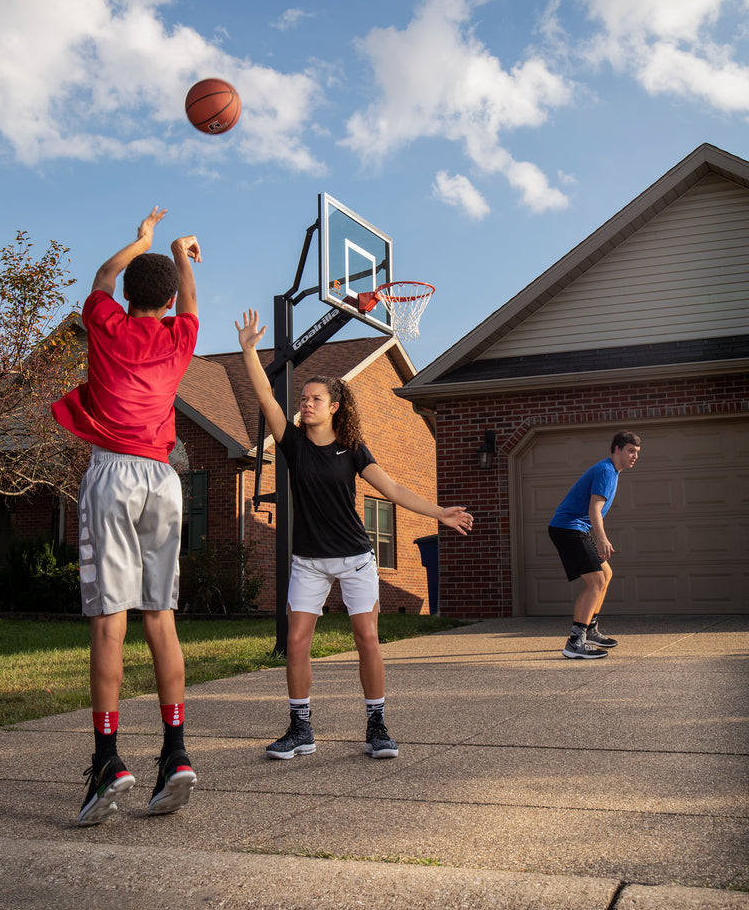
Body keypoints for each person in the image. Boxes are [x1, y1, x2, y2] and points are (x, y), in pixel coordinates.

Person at [235, 308, 474, 760]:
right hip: (308, 560)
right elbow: (265, 394)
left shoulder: (352, 448)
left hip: (355, 558)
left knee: (367, 639)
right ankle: (301, 728)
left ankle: (377, 725)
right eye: (303, 398)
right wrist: (249, 349)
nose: (305, 403)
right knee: (297, 642)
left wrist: (440, 512)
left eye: (315, 399)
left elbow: (394, 489)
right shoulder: (292, 442)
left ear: (335, 406)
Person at [52, 207, 201, 825]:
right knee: (160, 618)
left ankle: (109, 758)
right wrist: (177, 252)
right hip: (164, 481)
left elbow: (99, 279)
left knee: (109, 623)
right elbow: (190, 303)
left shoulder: (106, 324)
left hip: (112, 472)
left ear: (132, 298)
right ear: (166, 302)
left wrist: (137, 242)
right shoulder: (179, 337)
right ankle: (176, 753)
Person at [548, 431, 641, 659]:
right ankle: (575, 643)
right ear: (617, 449)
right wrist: (602, 539)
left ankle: (590, 630)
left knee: (605, 574)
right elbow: (594, 509)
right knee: (596, 581)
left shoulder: (612, 471)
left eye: (637, 452)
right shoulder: (606, 470)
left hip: (576, 528)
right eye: (630, 450)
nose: (634, 456)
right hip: (568, 528)